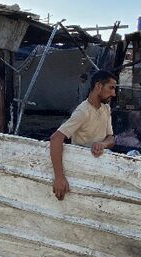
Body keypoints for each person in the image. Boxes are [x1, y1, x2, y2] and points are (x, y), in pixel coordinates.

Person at [49, 70, 117, 201]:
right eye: (111, 88)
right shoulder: (83, 112)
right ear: (98, 86)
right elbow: (56, 138)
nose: (113, 93)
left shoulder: (106, 109)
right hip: (80, 169)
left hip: (99, 170)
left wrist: (102, 144)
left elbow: (111, 138)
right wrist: (59, 177)